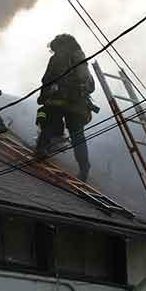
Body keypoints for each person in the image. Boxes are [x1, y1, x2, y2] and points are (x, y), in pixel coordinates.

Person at [35, 33, 96, 181]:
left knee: (49, 122)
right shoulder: (80, 57)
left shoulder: (57, 58)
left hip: (58, 100)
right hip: (78, 103)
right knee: (78, 136)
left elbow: (47, 79)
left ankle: (41, 149)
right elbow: (89, 84)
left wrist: (43, 96)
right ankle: (84, 167)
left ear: (59, 45)